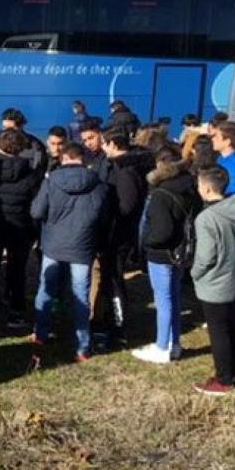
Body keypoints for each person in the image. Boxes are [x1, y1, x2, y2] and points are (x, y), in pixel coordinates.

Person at [31, 142, 108, 362]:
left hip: (54, 244)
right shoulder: (98, 185)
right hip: (83, 246)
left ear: (64, 158)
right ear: (83, 159)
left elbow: (37, 211)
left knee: (45, 289)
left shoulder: (51, 181)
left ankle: (41, 334)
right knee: (81, 295)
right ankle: (82, 347)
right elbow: (102, 217)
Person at [133, 146, 201, 364]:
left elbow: (161, 231)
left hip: (161, 254)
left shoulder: (161, 194)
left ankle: (162, 346)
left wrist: (147, 243)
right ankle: (175, 343)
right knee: (174, 297)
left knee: (163, 300)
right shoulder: (191, 188)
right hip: (182, 252)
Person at [191, 167, 235, 396]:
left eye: (198, 185)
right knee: (231, 328)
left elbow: (206, 256)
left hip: (215, 283)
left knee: (219, 333)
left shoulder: (207, 218)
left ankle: (224, 380)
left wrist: (194, 273)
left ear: (206, 189)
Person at [0, 129, 41, 329]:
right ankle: (16, 311)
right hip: (20, 227)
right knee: (17, 269)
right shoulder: (30, 174)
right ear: (21, 148)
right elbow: (35, 205)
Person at [96, 128, 149, 345]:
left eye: (104, 143)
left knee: (115, 280)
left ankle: (119, 326)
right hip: (114, 233)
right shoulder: (118, 167)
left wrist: (107, 211)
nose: (102, 147)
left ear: (113, 145)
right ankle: (110, 319)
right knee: (109, 278)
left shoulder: (126, 171)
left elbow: (126, 206)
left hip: (119, 235)